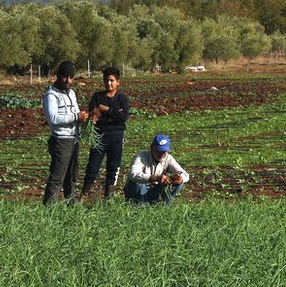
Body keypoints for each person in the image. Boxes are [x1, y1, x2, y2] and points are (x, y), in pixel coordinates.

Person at [42, 60, 89, 205]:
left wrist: (84, 118)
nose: (68, 81)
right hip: (61, 141)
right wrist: (76, 117)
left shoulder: (72, 93)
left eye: (71, 77)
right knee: (57, 176)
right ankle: (49, 207)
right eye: (64, 77)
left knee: (71, 175)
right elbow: (53, 119)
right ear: (58, 76)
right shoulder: (51, 95)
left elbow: (74, 112)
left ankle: (70, 203)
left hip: (73, 140)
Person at [81, 66, 130, 200]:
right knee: (93, 166)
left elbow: (123, 117)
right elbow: (92, 114)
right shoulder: (97, 97)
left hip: (116, 137)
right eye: (106, 80)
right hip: (99, 137)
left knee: (113, 167)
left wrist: (106, 109)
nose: (108, 83)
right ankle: (84, 195)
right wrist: (93, 116)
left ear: (118, 82)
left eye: (111, 80)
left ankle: (109, 197)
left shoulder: (122, 99)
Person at [123, 134, 190, 205]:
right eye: (158, 151)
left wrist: (180, 178)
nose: (161, 154)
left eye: (164, 151)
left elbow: (185, 175)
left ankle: (164, 206)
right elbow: (133, 174)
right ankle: (138, 205)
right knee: (136, 183)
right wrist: (155, 178)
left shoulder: (168, 158)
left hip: (156, 190)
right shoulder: (141, 157)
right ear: (151, 147)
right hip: (141, 190)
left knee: (178, 183)